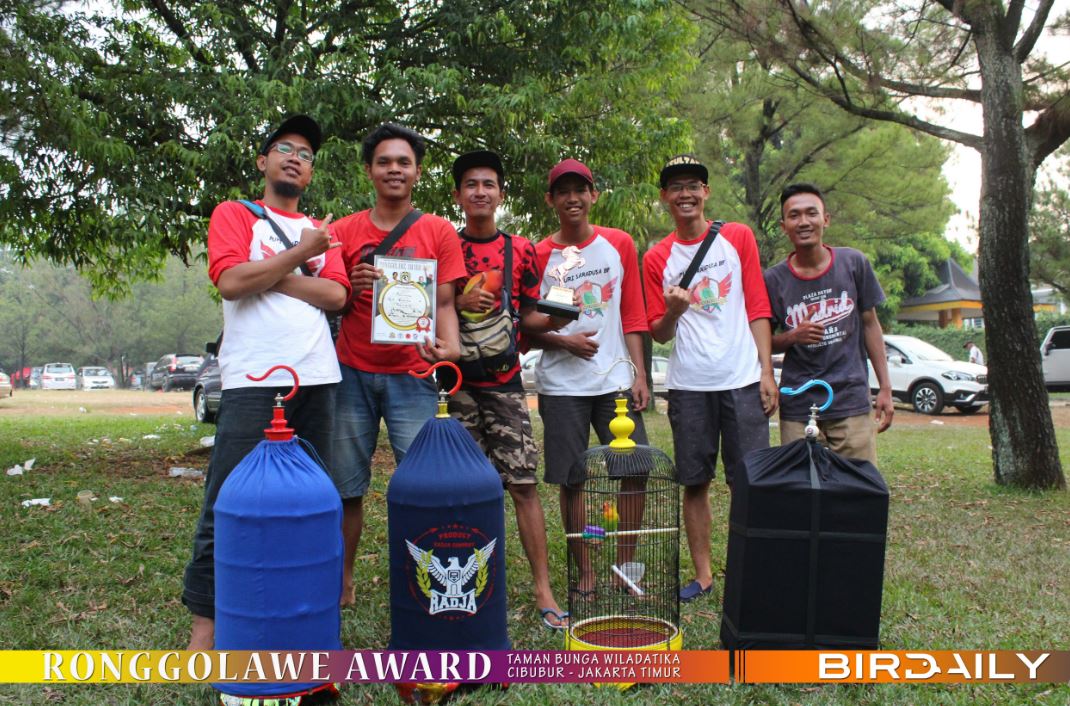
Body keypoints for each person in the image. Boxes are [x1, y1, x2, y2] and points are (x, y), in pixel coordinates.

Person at [183, 115, 350, 649]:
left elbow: (337, 296)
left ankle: (301, 611)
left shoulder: (325, 231)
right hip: (253, 379)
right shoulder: (236, 214)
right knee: (228, 498)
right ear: (263, 161)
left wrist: (271, 273)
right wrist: (301, 258)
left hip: (318, 377)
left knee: (313, 498)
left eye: (306, 154)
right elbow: (232, 282)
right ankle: (205, 627)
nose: (296, 158)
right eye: (284, 148)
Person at [330, 123, 466, 604]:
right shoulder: (342, 232)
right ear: (369, 170)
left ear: (417, 172)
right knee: (346, 486)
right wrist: (349, 287)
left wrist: (451, 348)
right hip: (350, 372)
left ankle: (426, 580)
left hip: (414, 375)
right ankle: (342, 581)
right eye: (384, 161)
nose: (394, 169)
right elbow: (329, 300)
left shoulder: (438, 231)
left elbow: (445, 301)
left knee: (423, 484)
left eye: (403, 162)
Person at [643, 154, 778, 603]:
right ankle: (703, 576)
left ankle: (751, 567)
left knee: (750, 480)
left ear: (706, 192)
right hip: (689, 385)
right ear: (664, 197)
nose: (685, 194)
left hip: (742, 378)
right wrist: (673, 311)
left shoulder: (736, 237)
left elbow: (757, 305)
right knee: (695, 481)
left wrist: (766, 371)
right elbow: (659, 332)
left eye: (693, 185)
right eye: (676, 187)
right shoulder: (657, 257)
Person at [444, 149, 568, 628]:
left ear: (500, 193)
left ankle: (543, 590)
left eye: (488, 184)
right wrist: (459, 299)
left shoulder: (522, 250)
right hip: (455, 385)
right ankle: (468, 582)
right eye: (471, 184)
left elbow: (529, 314)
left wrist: (557, 318)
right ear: (458, 195)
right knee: (466, 489)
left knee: (523, 485)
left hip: (505, 383)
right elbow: (428, 306)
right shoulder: (443, 245)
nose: (480, 192)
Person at [528, 158, 650, 600]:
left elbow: (632, 312)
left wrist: (638, 374)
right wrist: (565, 343)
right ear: (551, 200)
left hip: (614, 382)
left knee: (635, 470)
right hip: (562, 387)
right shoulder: (537, 254)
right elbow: (526, 327)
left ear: (593, 195)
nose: (572, 198)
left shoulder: (618, 244)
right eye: (563, 192)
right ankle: (585, 573)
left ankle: (624, 566)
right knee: (571, 478)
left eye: (580, 190)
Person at [764, 182, 894, 464]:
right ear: (784, 226)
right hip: (798, 403)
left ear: (826, 219)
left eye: (811, 213)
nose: (804, 222)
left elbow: (870, 325)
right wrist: (793, 336)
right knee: (802, 485)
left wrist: (885, 387)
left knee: (857, 484)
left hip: (851, 399)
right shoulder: (773, 280)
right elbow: (763, 342)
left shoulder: (854, 263)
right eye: (794, 215)